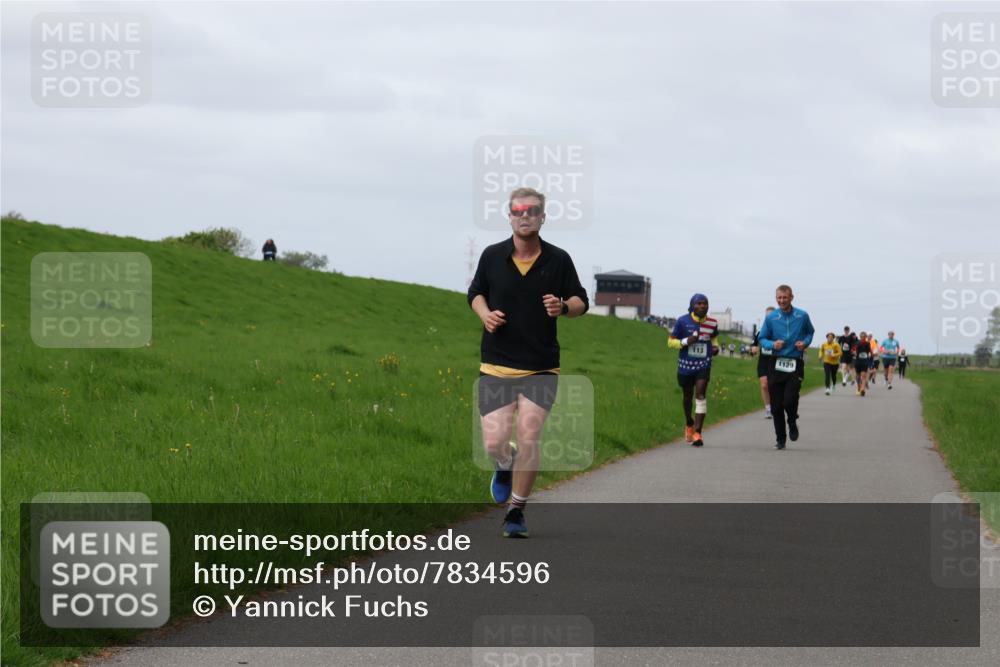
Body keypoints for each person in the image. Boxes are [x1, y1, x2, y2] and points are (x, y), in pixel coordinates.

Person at [467, 187, 588, 538]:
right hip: (496, 365)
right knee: (494, 443)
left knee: (530, 436)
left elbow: (581, 300)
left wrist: (563, 307)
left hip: (541, 366)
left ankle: (516, 512)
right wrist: (485, 315)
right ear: (509, 216)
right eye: (518, 211)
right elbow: (475, 293)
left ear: (542, 217)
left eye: (532, 211)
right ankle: (504, 463)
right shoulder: (492, 256)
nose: (525, 216)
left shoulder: (558, 260)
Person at [758, 285, 815, 450]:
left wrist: (804, 343)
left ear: (791, 297)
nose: (781, 300)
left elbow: (810, 332)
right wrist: (772, 344)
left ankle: (792, 420)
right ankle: (780, 439)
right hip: (776, 362)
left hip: (795, 362)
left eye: (785, 297)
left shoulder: (802, 315)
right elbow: (762, 338)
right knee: (776, 405)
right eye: (779, 298)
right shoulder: (771, 318)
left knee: (790, 399)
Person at [668, 294, 720, 447]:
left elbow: (714, 339)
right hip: (686, 366)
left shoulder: (712, 323)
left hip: (704, 364)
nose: (702, 306)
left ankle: (698, 433)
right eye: (699, 303)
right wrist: (686, 341)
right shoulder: (682, 321)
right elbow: (670, 342)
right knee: (687, 397)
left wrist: (715, 348)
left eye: (705, 303)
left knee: (701, 395)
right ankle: (689, 423)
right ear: (692, 306)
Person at [750, 307, 776, 419]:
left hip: (776, 362)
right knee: (764, 385)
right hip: (764, 361)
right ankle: (768, 409)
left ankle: (776, 406)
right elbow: (754, 345)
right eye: (767, 316)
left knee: (774, 386)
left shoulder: (780, 330)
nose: (768, 318)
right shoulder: (760, 331)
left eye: (771, 315)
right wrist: (753, 349)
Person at [853, 332, 872, 396]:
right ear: (860, 337)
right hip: (858, 362)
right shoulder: (857, 343)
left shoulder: (867, 343)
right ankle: (859, 386)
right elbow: (853, 350)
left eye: (864, 337)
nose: (863, 338)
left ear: (866, 337)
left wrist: (871, 355)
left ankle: (863, 389)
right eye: (861, 337)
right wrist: (854, 352)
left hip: (865, 362)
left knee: (863, 375)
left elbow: (870, 351)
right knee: (858, 376)